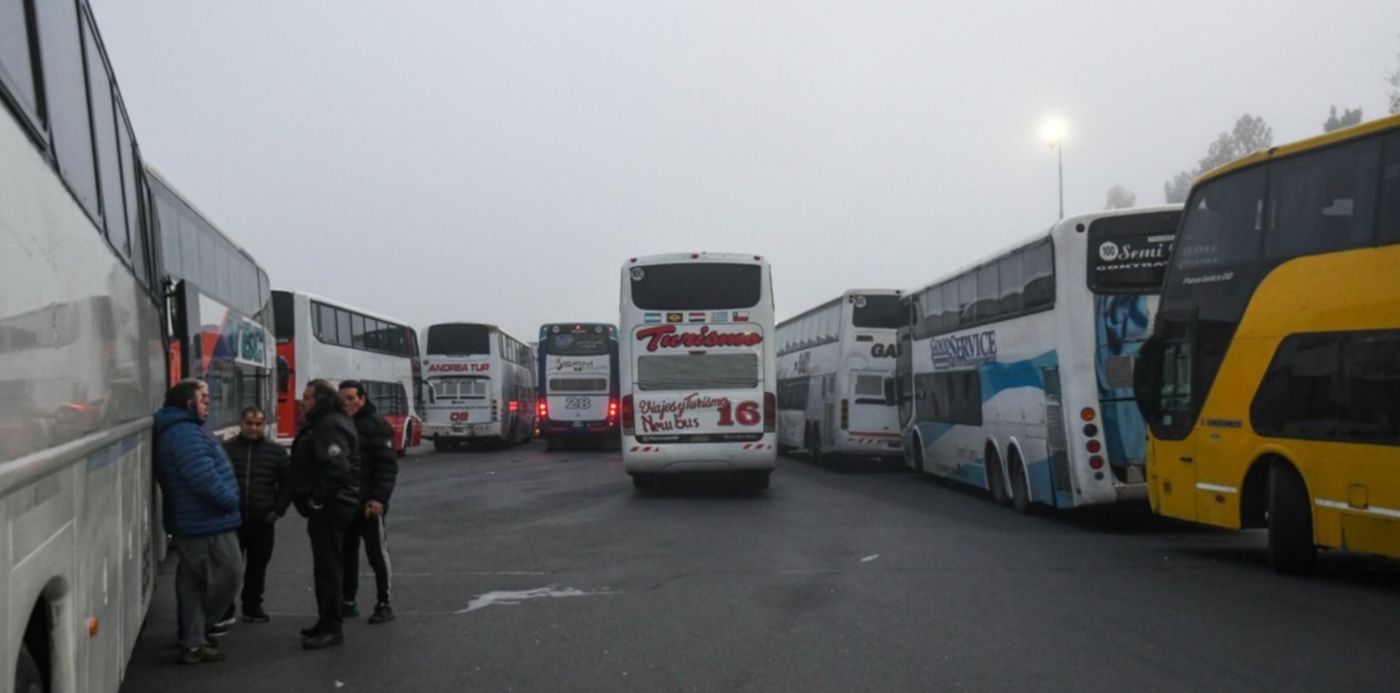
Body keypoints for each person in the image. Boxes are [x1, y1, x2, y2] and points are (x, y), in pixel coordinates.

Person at [153, 379, 243, 665]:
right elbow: (203, 478)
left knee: (191, 583)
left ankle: (193, 641)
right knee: (228, 575)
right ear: (188, 404)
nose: (208, 404)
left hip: (193, 521)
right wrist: (231, 500)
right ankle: (199, 631)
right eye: (203, 399)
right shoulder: (185, 434)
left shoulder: (182, 430)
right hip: (206, 522)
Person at [288, 379, 361, 650]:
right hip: (330, 504)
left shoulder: (329, 424)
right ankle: (325, 620)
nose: (303, 402)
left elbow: (336, 468)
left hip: (332, 506)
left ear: (320, 399)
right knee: (324, 567)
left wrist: (316, 498)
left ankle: (332, 627)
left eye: (307, 397)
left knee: (329, 568)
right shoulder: (324, 422)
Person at [221, 406, 291, 623]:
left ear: (264, 425)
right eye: (249, 423)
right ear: (241, 423)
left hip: (263, 520)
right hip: (233, 520)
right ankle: (225, 608)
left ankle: (252, 606)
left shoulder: (277, 452)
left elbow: (288, 484)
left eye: (258, 423)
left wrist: (277, 510)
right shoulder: (226, 449)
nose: (253, 427)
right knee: (230, 568)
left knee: (257, 565)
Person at [338, 380, 399, 625]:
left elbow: (387, 467)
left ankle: (384, 603)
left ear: (362, 399)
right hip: (346, 502)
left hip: (370, 504)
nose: (348, 403)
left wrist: (379, 499)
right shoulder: (340, 423)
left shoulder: (376, 425)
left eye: (352, 398)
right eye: (343, 399)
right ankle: (348, 601)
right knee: (347, 554)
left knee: (377, 555)